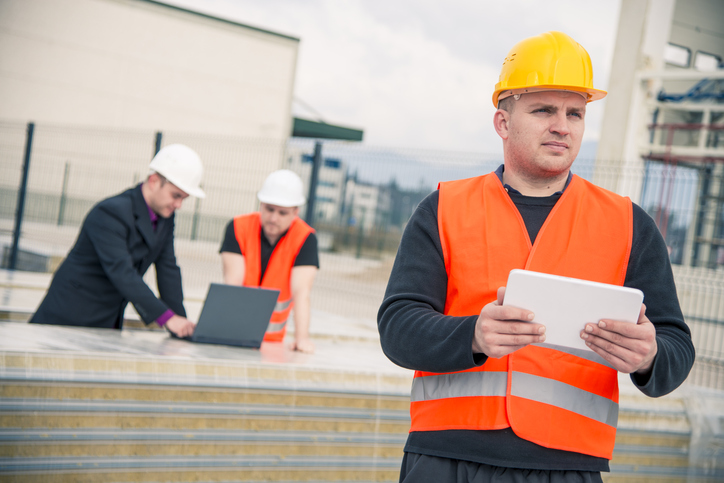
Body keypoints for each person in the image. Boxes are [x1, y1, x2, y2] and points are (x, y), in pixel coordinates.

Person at [377, 31, 695, 483]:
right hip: (445, 459)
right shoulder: (445, 208)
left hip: (565, 466)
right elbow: (397, 328)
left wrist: (649, 355)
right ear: (503, 123)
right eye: (543, 110)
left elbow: (676, 349)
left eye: (575, 113)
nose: (562, 126)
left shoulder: (629, 224)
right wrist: (472, 334)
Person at [30, 144, 204, 337]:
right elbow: (122, 271)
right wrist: (167, 318)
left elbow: (167, 268)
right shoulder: (111, 212)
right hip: (68, 316)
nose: (178, 205)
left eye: (184, 199)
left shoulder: (165, 216)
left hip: (108, 319)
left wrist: (181, 324)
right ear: (154, 181)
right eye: (176, 195)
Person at [220, 169, 318, 353]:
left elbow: (301, 292)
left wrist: (301, 339)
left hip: (272, 342)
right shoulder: (238, 227)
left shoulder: (305, 238)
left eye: (282, 213)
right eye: (269, 209)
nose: (273, 218)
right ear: (261, 204)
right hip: (234, 333)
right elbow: (233, 285)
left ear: (295, 212)